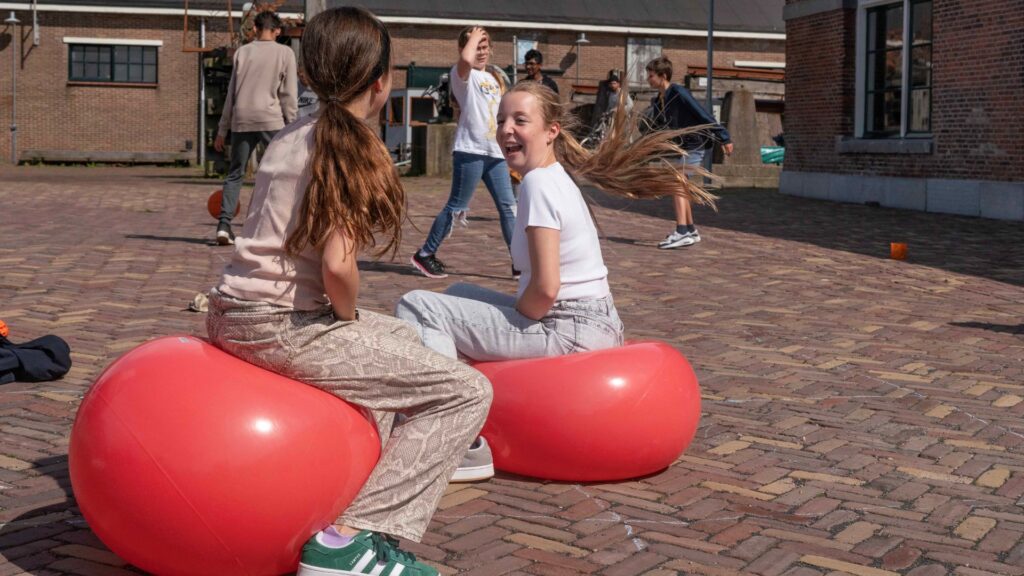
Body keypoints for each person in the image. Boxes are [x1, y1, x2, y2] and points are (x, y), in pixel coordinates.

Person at [205, 8, 491, 575]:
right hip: (280, 326)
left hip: (232, 310)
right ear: (381, 81)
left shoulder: (293, 132)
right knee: (468, 391)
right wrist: (348, 315)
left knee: (405, 335)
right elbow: (338, 266)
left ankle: (354, 496)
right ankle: (349, 541)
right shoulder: (352, 146)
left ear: (310, 74)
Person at [394, 81, 715, 479]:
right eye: (501, 120)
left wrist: (517, 320)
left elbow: (546, 288)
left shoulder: (538, 184)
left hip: (567, 327)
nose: (506, 129)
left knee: (418, 305)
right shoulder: (554, 176)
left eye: (520, 120)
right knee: (458, 293)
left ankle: (455, 442)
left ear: (551, 131)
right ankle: (472, 407)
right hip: (597, 320)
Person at [411, 26, 517, 279]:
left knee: (509, 207)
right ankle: (425, 254)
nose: (481, 51)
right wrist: (475, 35)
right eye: (476, 46)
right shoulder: (461, 75)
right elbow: (467, 60)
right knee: (457, 206)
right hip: (470, 150)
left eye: (485, 46)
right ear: (463, 49)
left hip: (495, 152)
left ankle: (519, 263)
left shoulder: (493, 79)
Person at [213, 10, 298, 246]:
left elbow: (231, 94)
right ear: (278, 30)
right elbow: (289, 95)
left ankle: (223, 224)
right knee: (280, 173)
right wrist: (293, 126)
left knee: (235, 173)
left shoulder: (242, 52)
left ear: (255, 29)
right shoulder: (285, 53)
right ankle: (275, 227)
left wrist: (222, 130)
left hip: (241, 118)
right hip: (271, 119)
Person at [645, 55, 733, 249]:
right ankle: (690, 230)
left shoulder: (678, 92)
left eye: (651, 76)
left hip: (696, 144)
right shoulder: (660, 99)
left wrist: (724, 137)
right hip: (685, 147)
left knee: (677, 182)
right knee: (681, 185)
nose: (648, 79)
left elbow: (702, 113)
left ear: (663, 75)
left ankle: (682, 231)